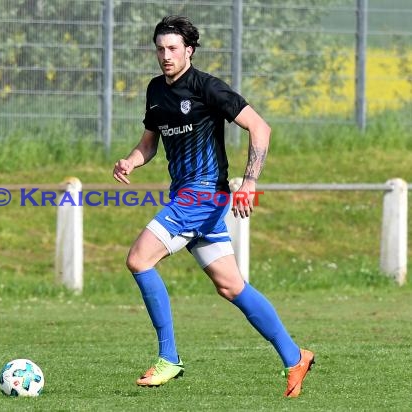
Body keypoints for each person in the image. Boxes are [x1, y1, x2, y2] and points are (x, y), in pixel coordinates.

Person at [112, 15, 314, 397]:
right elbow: (149, 143)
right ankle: (294, 356)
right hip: (187, 195)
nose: (165, 55)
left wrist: (250, 181)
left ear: (189, 50)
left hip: (203, 195)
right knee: (231, 286)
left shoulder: (207, 87)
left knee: (139, 259)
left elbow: (260, 127)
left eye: (172, 48)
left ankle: (168, 358)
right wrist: (130, 161)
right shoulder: (156, 90)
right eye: (160, 48)